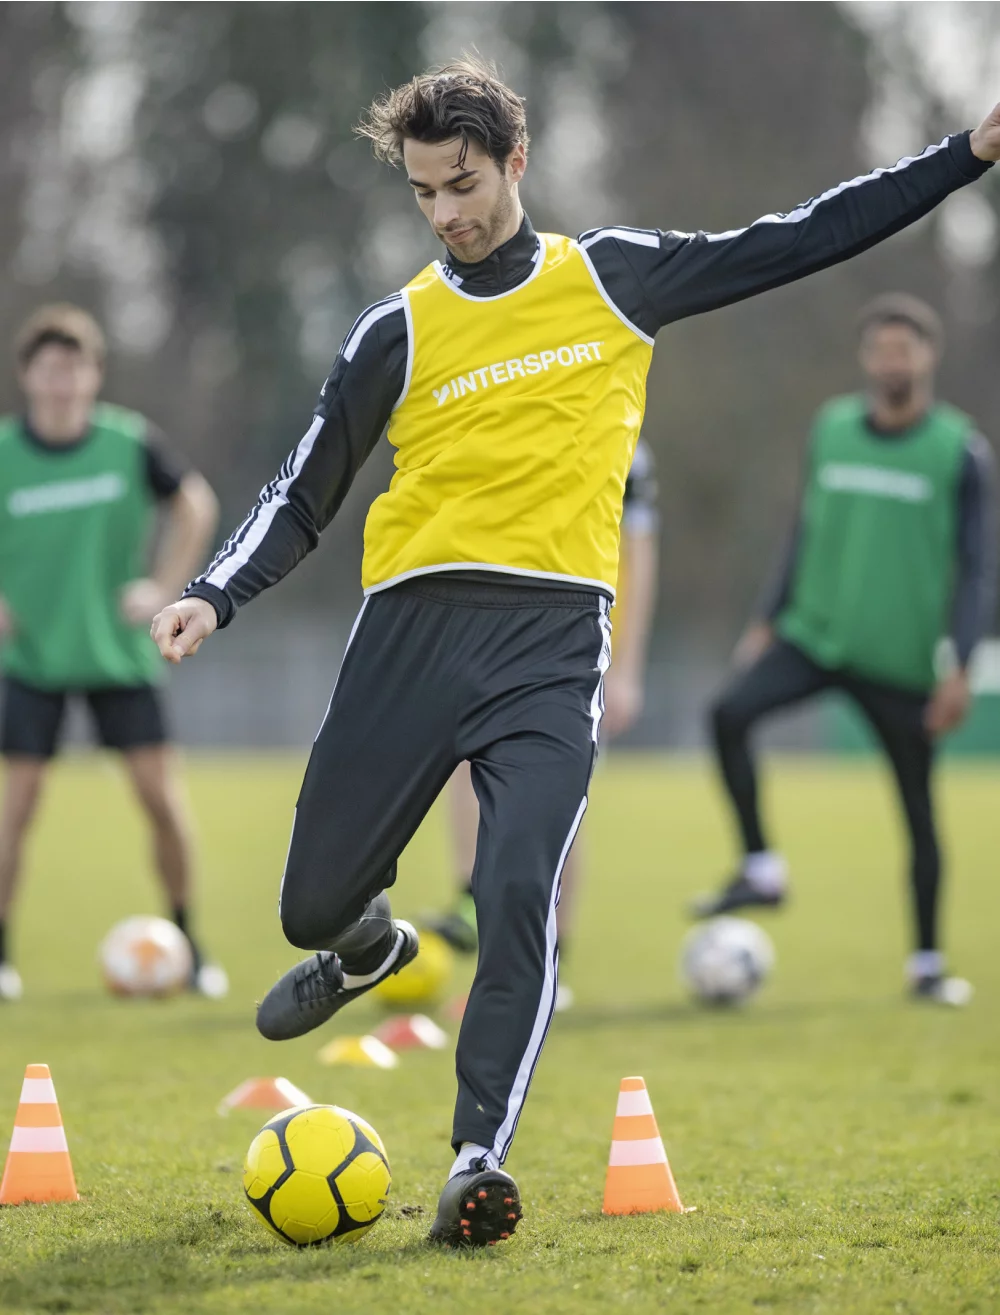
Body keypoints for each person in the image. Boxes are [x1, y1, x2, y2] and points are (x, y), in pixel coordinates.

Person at [151, 59, 1000, 1245]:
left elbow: (800, 238)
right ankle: (369, 945)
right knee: (308, 903)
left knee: (514, 895)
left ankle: (475, 1157)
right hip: (409, 630)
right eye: (424, 194)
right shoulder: (394, 328)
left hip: (552, 642)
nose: (447, 213)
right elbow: (302, 494)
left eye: (464, 184)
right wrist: (212, 594)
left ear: (516, 162)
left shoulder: (608, 280)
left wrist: (964, 153)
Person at [695, 294, 996, 1007]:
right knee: (728, 714)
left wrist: (964, 661)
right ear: (866, 358)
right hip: (817, 635)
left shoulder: (961, 452)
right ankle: (762, 866)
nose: (892, 361)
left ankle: (926, 963)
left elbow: (979, 568)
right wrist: (768, 616)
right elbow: (805, 529)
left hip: (900, 660)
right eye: (881, 349)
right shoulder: (831, 429)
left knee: (919, 813)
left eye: (906, 349)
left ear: (928, 356)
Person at [0, 304, 225, 1000]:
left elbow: (195, 504)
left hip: (118, 657)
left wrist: (162, 584)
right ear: (27, 377)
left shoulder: (129, 443)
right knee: (18, 805)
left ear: (95, 375)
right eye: (49, 370)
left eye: (76, 369)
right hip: (32, 658)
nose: (62, 383)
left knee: (160, 799)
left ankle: (189, 943)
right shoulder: (6, 453)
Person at [426, 438, 659, 1015]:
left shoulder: (628, 448)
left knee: (556, 799)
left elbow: (641, 558)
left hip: (582, 645)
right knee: (463, 756)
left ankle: (552, 963)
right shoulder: (527, 417)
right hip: (509, 631)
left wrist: (626, 669)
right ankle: (468, 896)